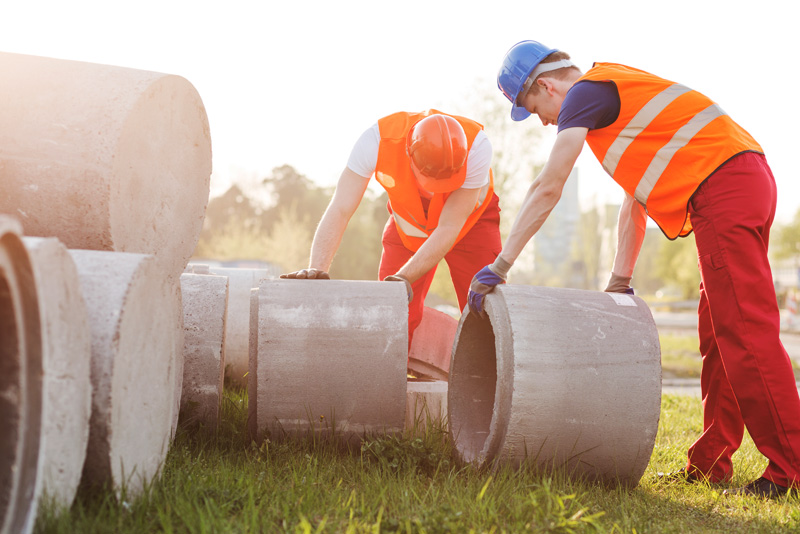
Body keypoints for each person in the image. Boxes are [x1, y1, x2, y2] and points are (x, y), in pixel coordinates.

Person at [468, 40, 800, 498]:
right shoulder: (619, 102)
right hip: (743, 179)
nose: (545, 122)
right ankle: (710, 464)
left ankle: (791, 470)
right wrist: (619, 282)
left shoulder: (585, 94)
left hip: (725, 188)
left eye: (535, 109)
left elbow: (549, 186)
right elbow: (633, 205)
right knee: (720, 331)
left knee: (746, 332)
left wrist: (500, 264)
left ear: (545, 85)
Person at [282, 110, 501, 346]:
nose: (437, 190)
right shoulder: (375, 142)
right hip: (409, 226)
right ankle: (390, 376)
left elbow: (449, 226)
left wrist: (402, 278)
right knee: (392, 312)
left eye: (444, 182)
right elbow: (340, 208)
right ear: (409, 155)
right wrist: (316, 269)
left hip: (470, 224)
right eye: (430, 180)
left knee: (487, 309)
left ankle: (493, 378)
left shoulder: (477, 146)